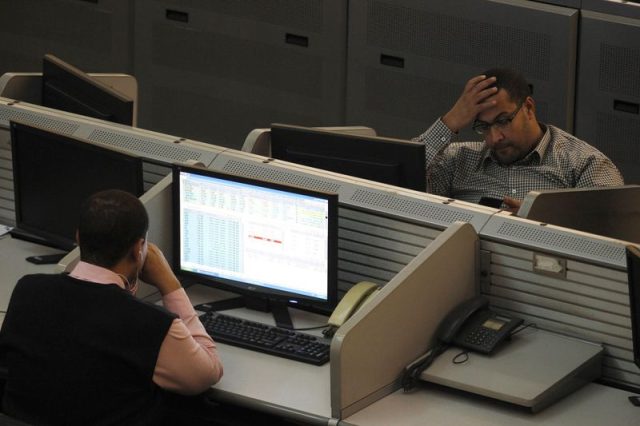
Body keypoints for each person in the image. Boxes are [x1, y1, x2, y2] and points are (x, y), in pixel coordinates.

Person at [0, 189, 223, 425]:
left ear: (78, 238)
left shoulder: (28, 290)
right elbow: (207, 374)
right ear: (138, 250)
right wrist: (170, 285)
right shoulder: (151, 324)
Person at [413, 67, 624, 212]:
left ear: (529, 108)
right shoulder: (457, 159)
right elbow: (398, 184)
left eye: (503, 121)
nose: (495, 138)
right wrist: (450, 121)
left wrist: (545, 219)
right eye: (484, 127)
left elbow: (611, 231)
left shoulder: (584, 164)